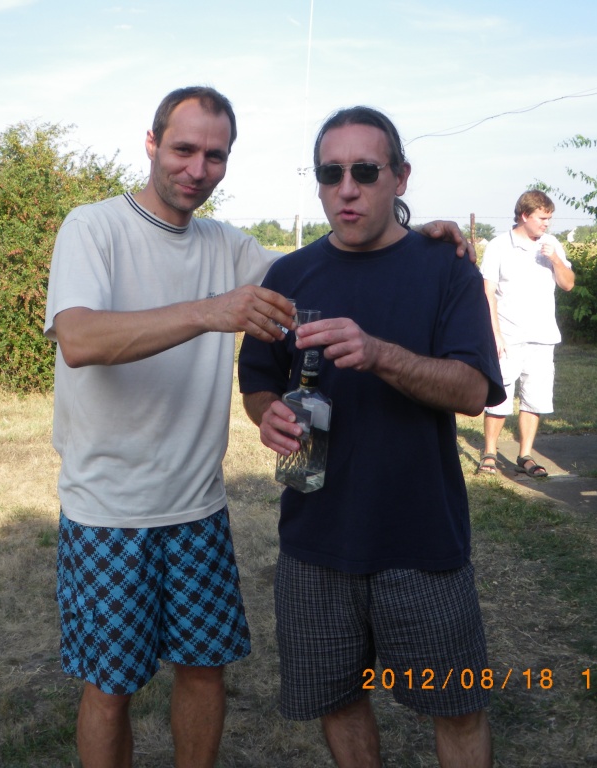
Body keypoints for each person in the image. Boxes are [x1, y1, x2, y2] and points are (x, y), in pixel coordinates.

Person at [44, 86, 476, 767]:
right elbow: (79, 339)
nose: (198, 169)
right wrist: (208, 311)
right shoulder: (93, 228)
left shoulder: (229, 246)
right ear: (152, 144)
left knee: (204, 672)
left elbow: (336, 256)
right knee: (110, 688)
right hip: (107, 510)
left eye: (216, 156)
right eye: (183, 149)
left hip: (198, 508)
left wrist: (415, 234)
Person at [238, 106, 505, 768]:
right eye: (331, 173)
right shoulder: (288, 275)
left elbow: (473, 391)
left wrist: (379, 354)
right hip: (316, 539)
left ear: (400, 177)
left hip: (422, 537)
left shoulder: (446, 268)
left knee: (457, 705)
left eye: (365, 170)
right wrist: (267, 414)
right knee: (339, 700)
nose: (347, 189)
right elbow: (258, 382)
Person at [477, 190, 575, 478]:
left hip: (543, 337)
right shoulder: (498, 246)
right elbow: (487, 293)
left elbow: (568, 284)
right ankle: (490, 453)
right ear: (524, 215)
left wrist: (555, 259)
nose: (547, 224)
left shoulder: (552, 244)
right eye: (542, 218)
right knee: (499, 395)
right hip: (507, 336)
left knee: (535, 398)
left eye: (549, 218)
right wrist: (495, 334)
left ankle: (525, 455)